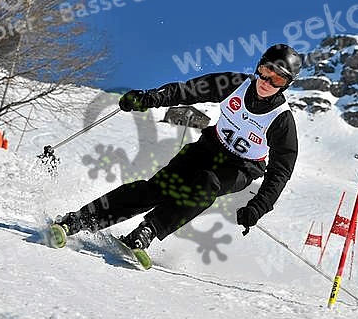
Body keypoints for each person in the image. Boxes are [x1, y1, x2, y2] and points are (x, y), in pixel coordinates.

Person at [55, 44, 303, 251]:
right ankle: (81, 219)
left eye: (277, 79)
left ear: (285, 85)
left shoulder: (281, 120)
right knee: (157, 189)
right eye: (266, 70)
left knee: (207, 184)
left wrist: (258, 207)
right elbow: (187, 91)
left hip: (242, 167)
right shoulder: (234, 84)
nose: (267, 81)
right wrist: (149, 98)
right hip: (208, 149)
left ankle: (148, 230)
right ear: (258, 67)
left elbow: (280, 171)